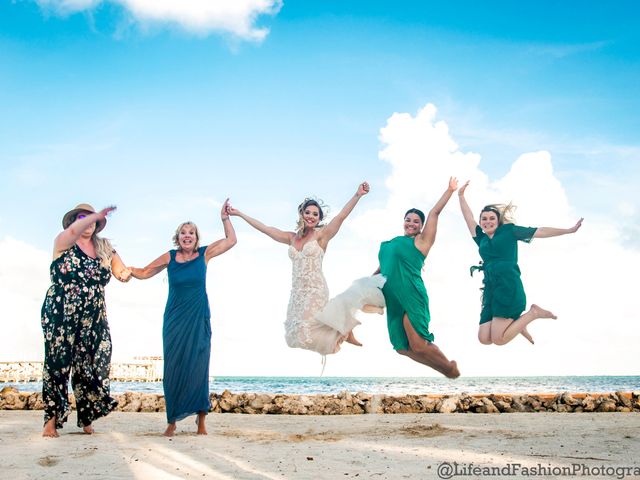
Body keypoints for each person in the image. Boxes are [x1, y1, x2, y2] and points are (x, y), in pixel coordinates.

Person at [227, 182, 385, 356]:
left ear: (319, 218)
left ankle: (344, 332)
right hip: (297, 292)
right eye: (308, 212)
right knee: (294, 337)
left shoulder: (322, 235)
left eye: (315, 214)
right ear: (301, 214)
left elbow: (340, 217)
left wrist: (357, 195)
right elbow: (265, 229)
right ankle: (344, 331)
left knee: (307, 332)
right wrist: (239, 214)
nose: (311, 216)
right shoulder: (291, 238)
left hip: (315, 289)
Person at [129, 200, 236, 437]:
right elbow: (145, 272)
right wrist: (126, 270)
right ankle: (172, 421)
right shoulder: (169, 257)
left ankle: (201, 423)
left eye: (191, 232)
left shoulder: (204, 254)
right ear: (177, 238)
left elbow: (231, 241)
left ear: (197, 238)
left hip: (198, 317)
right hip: (175, 319)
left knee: (199, 365)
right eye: (183, 233)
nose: (187, 236)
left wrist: (225, 218)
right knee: (174, 367)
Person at [41, 204, 131, 438]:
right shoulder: (64, 241)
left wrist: (128, 274)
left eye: (92, 220)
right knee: (57, 363)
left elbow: (120, 271)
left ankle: (87, 417)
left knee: (90, 363)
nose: (88, 223)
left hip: (93, 315)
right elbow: (72, 232)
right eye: (83, 218)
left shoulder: (104, 248)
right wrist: (95, 214)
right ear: (74, 220)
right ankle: (50, 421)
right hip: (62, 311)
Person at [458, 180, 583, 346]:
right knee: (484, 339)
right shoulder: (480, 238)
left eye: (491, 219)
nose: (487, 221)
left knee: (499, 339)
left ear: (498, 220)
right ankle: (518, 323)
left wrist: (569, 230)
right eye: (484, 219)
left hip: (508, 287)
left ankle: (533, 313)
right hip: (491, 290)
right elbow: (468, 218)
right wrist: (460, 196)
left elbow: (541, 231)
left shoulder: (510, 231)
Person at [376, 178, 460, 378]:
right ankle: (444, 369)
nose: (411, 223)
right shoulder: (389, 244)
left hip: (412, 294)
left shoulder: (422, 242)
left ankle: (449, 368)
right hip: (392, 299)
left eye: (416, 221)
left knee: (418, 343)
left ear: (421, 226)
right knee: (402, 348)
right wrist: (363, 289)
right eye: (408, 219)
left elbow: (434, 213)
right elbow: (382, 269)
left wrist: (449, 191)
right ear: (403, 221)